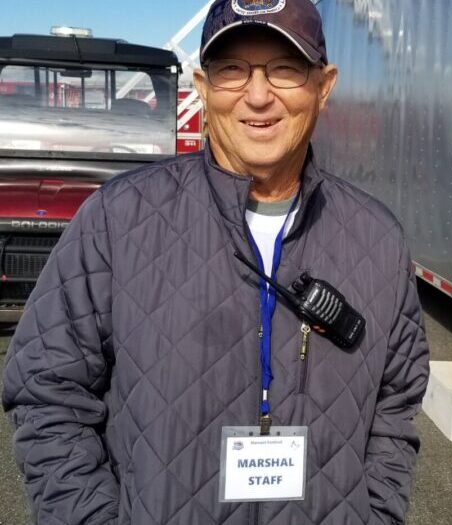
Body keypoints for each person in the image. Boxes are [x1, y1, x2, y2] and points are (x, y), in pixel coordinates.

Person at [2, 0, 429, 523]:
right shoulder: (117, 221)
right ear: (203, 87)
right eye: (232, 70)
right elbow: (48, 393)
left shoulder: (378, 240)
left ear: (325, 85)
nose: (257, 95)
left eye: (285, 68)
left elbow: (396, 405)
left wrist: (375, 515)